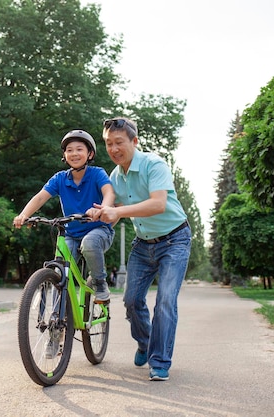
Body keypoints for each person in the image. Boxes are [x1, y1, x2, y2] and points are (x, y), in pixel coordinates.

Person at [90, 117, 191, 382]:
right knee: (131, 301)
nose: (113, 149)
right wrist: (100, 211)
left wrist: (118, 212)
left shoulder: (154, 164)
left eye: (119, 142)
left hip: (175, 240)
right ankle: (145, 343)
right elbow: (108, 206)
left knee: (166, 300)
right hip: (144, 244)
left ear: (134, 141)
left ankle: (159, 361)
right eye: (109, 143)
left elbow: (158, 204)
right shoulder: (115, 176)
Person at [13, 129, 115, 303]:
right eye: (69, 150)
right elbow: (40, 197)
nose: (74, 153)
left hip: (99, 230)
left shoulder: (97, 173)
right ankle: (57, 320)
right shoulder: (60, 178)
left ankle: (99, 282)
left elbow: (109, 193)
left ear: (90, 154)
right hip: (72, 234)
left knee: (89, 243)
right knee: (59, 273)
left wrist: (102, 209)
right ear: (64, 155)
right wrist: (24, 215)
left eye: (79, 149)